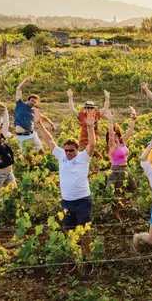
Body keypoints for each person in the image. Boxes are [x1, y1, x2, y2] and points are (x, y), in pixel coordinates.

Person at [34, 108, 96, 256]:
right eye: (66, 150)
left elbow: (92, 144)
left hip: (83, 200)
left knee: (85, 230)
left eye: (71, 151)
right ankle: (73, 255)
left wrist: (90, 126)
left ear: (77, 149)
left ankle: (88, 257)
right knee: (68, 230)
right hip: (66, 201)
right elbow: (49, 140)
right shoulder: (61, 155)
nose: (68, 153)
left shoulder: (83, 157)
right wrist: (39, 124)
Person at [104, 107, 138, 221]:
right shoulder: (112, 145)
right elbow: (110, 135)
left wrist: (133, 117)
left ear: (118, 132)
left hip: (125, 169)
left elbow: (130, 129)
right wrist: (110, 121)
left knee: (133, 188)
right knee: (118, 193)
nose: (112, 134)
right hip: (117, 170)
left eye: (114, 131)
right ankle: (116, 213)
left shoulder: (123, 142)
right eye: (110, 133)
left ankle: (117, 207)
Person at [14, 77, 55, 155]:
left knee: (41, 151)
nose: (33, 103)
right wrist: (26, 80)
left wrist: (51, 124)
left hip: (32, 134)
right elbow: (18, 89)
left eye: (35, 102)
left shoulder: (33, 110)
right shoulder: (20, 104)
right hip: (21, 136)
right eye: (32, 101)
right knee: (26, 156)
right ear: (28, 100)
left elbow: (43, 117)